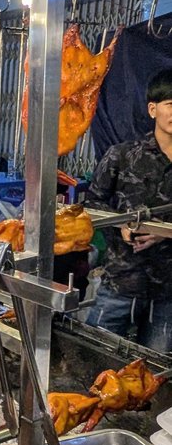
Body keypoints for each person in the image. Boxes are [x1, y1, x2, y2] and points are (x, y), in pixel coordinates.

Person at [85, 68, 172, 351]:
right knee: (95, 356)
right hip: (121, 281)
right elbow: (91, 203)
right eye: (170, 104)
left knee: (156, 368)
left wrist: (161, 233)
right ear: (152, 109)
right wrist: (121, 225)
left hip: (167, 292)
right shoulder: (122, 155)